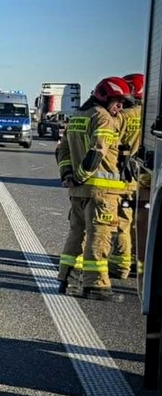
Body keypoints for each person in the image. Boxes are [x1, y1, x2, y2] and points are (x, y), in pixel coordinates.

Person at [56, 76, 133, 301]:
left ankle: (67, 280)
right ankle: (96, 285)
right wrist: (80, 176)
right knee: (99, 237)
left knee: (76, 234)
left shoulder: (78, 117)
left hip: (79, 192)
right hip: (101, 193)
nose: (120, 107)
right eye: (117, 102)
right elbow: (97, 152)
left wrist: (68, 175)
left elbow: (62, 151)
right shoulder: (103, 118)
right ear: (104, 98)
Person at [109, 73, 144, 279]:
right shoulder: (150, 115)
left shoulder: (123, 116)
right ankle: (138, 264)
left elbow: (109, 142)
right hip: (145, 178)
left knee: (123, 221)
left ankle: (121, 265)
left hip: (123, 177)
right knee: (140, 223)